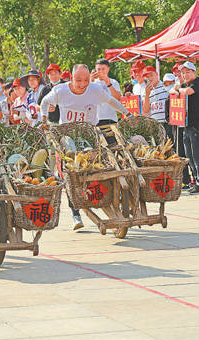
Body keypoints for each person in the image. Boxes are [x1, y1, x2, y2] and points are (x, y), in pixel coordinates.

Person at [41, 64, 131, 230]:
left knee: (102, 166)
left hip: (90, 134)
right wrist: (44, 118)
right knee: (71, 173)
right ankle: (75, 214)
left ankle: (110, 201)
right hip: (66, 135)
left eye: (85, 80)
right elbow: (45, 102)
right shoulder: (61, 91)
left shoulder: (95, 90)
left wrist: (127, 113)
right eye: (78, 80)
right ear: (71, 78)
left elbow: (111, 101)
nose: (82, 84)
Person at [170, 61, 199, 194]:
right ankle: (195, 180)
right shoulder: (184, 85)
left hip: (197, 126)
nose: (184, 75)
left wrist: (177, 89)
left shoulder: (197, 83)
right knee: (189, 156)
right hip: (187, 125)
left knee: (197, 155)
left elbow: (187, 92)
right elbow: (171, 91)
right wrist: (176, 88)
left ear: (194, 72)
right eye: (183, 72)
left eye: (187, 72)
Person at [90, 58, 121, 126]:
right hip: (96, 119)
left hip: (111, 118)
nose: (101, 71)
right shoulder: (92, 82)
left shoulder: (114, 82)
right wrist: (90, 82)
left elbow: (118, 98)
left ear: (108, 69)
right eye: (98, 69)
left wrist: (109, 84)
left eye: (103, 69)